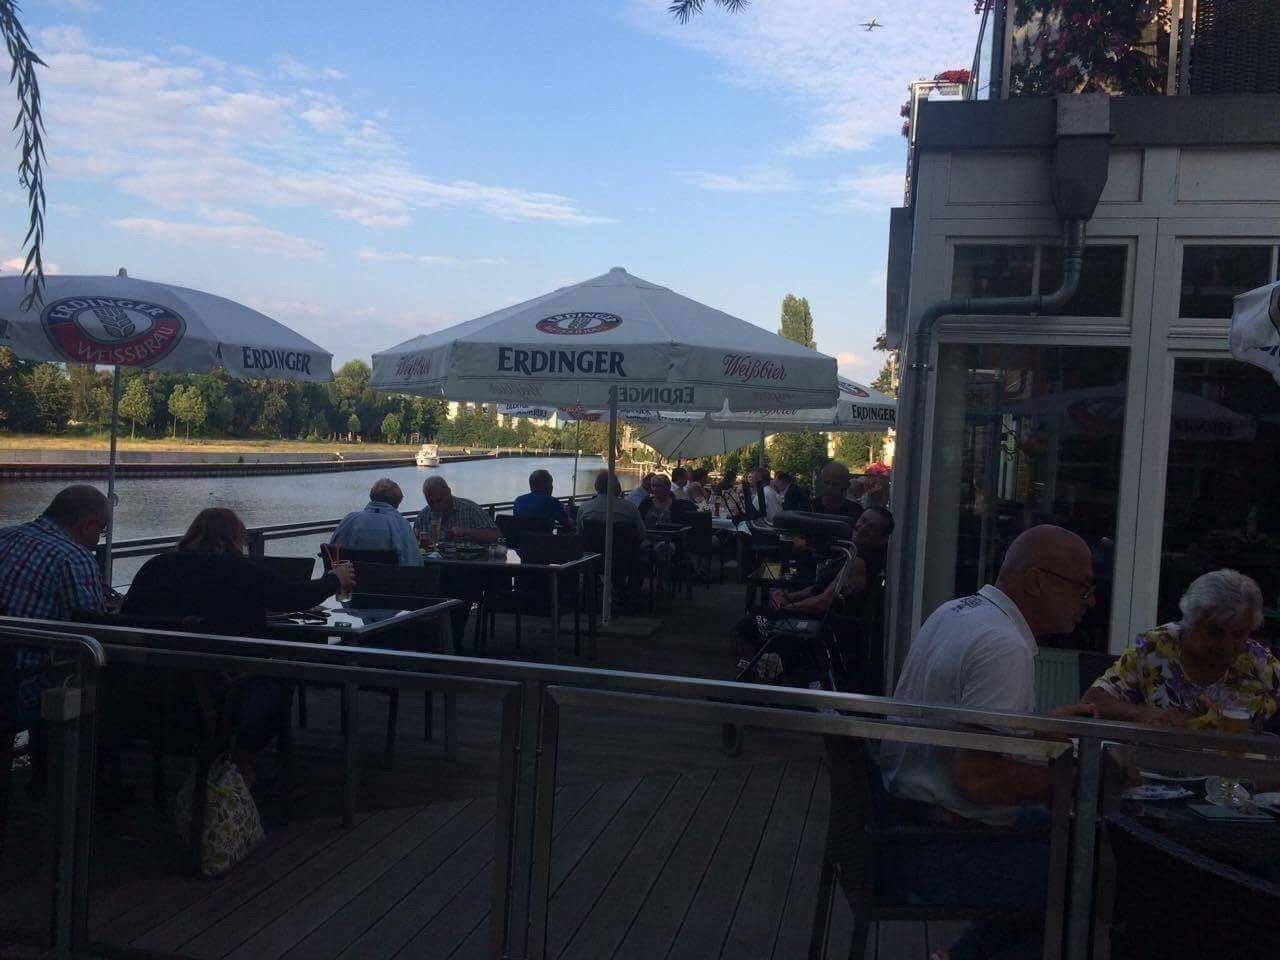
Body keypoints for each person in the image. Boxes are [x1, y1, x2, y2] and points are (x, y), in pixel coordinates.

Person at [878, 525, 1099, 960]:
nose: (1089, 601)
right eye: (1083, 586)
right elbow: (976, 780)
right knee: (1090, 887)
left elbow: (967, 739)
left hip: (898, 825)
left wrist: (1041, 729)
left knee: (1072, 862)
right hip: (935, 849)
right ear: (1038, 581)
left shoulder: (957, 612)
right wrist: (1083, 779)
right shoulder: (1003, 644)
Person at [122, 508, 355, 784]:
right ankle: (243, 759)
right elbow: (298, 597)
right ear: (236, 539)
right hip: (220, 694)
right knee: (278, 682)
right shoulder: (242, 571)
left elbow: (128, 613)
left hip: (150, 691)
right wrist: (335, 579)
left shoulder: (155, 566)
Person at [1079, 569, 1279, 730]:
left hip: (1232, 776)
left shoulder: (1262, 667)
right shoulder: (1154, 647)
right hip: (1156, 772)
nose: (1226, 644)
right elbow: (1093, 701)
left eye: (1238, 634)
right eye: (1215, 632)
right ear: (1189, 621)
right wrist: (1146, 714)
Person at [0, 485, 109, 720]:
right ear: (88, 525)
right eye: (101, 531)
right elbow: (93, 628)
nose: (99, 539)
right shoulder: (73, 557)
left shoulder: (5, 535)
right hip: (21, 686)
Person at [330, 478, 422, 565]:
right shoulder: (401, 525)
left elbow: (333, 553)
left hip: (351, 580)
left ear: (372, 497)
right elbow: (414, 563)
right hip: (389, 580)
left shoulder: (348, 520)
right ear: (397, 503)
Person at [413, 476, 500, 544]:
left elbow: (496, 535)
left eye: (439, 500)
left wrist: (467, 532)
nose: (436, 506)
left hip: (467, 564)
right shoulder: (423, 516)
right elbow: (413, 544)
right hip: (433, 564)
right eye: (431, 502)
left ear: (448, 492)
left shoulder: (470, 509)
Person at [577, 470, 646, 533]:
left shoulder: (584, 508)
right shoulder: (630, 508)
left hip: (592, 546)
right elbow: (641, 531)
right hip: (623, 546)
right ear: (617, 487)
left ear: (596, 486)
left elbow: (579, 532)